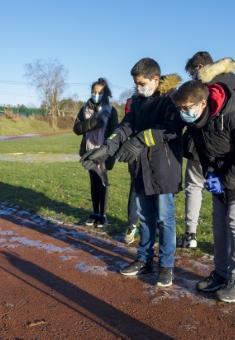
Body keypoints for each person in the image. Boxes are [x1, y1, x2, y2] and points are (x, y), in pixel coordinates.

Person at [81, 58, 183, 287]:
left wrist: (139, 140)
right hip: (140, 167)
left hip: (164, 169)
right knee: (145, 217)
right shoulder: (137, 100)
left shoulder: (172, 99)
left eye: (142, 83)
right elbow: (126, 125)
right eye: (136, 83)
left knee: (165, 219)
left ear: (156, 79)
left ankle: (166, 265)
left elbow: (171, 128)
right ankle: (144, 259)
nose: (138, 87)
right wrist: (107, 148)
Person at [171, 80, 235, 303]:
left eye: (186, 108)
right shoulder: (197, 122)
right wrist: (211, 174)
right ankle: (222, 273)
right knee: (218, 222)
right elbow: (204, 153)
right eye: (180, 109)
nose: (183, 113)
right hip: (220, 175)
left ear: (203, 103)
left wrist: (226, 180)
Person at [178, 52, 235, 248]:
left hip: (203, 145)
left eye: (191, 74)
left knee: (194, 187)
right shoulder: (232, 83)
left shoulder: (204, 85)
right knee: (221, 192)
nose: (192, 79)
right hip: (227, 148)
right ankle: (227, 241)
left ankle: (191, 234)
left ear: (198, 68)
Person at [73, 78, 118, 228]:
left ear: (105, 93)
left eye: (99, 92)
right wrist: (92, 123)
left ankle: (103, 216)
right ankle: (95, 213)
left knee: (102, 182)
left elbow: (114, 133)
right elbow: (77, 129)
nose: (96, 94)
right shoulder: (85, 108)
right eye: (94, 92)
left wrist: (108, 152)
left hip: (103, 151)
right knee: (93, 182)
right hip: (89, 150)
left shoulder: (111, 110)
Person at [123, 97, 139, 244]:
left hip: (156, 154)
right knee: (135, 188)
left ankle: (159, 227)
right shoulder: (132, 101)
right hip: (135, 153)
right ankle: (132, 225)